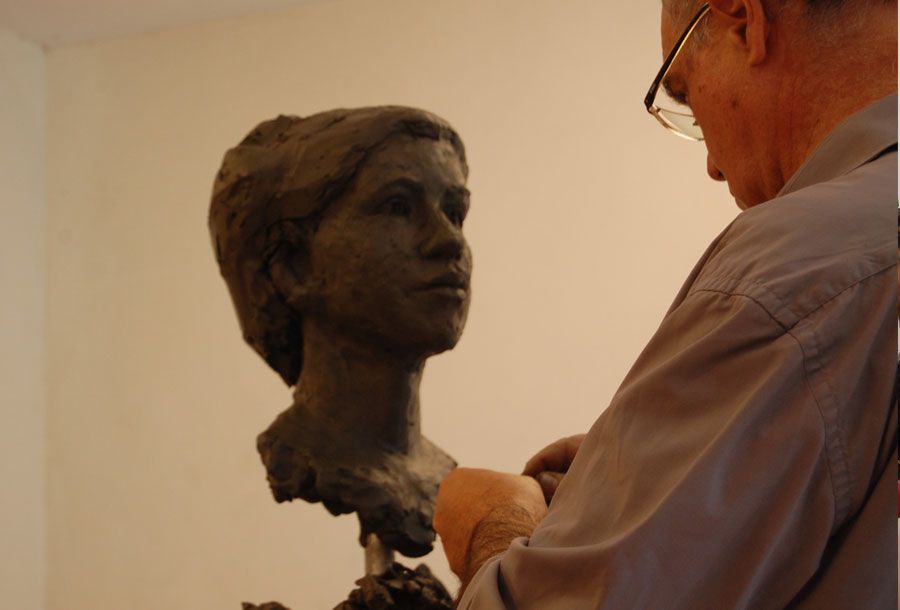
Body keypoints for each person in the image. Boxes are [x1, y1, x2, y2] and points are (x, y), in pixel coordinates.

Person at [434, 0, 898, 607]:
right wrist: (668, 477)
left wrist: (493, 526)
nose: (711, 167)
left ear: (745, 19)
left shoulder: (797, 271)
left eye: (683, 95)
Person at [209, 107, 471, 558]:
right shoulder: (304, 453)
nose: (449, 240)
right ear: (292, 265)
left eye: (455, 211)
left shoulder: (452, 484)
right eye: (398, 207)